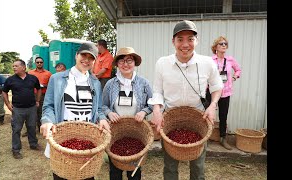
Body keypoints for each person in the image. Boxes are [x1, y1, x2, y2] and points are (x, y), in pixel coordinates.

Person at [147, 20, 224, 180]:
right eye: (180, 39)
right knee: (170, 165)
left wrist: (212, 105)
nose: (185, 44)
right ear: (173, 41)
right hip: (170, 119)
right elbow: (157, 91)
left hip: (198, 118)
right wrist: (156, 110)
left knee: (198, 165)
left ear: (197, 40)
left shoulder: (207, 63)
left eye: (190, 39)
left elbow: (217, 87)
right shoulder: (162, 63)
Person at [39, 42, 111, 180]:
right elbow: (48, 106)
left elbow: (98, 108)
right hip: (62, 139)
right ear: (76, 55)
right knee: (62, 175)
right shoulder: (57, 78)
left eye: (91, 58)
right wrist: (47, 121)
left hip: (86, 141)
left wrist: (102, 118)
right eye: (83, 55)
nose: (86, 60)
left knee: (86, 176)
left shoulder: (95, 83)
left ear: (94, 62)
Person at [102, 47, 153, 180]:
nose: (125, 64)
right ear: (117, 64)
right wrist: (109, 113)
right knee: (115, 171)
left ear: (135, 63)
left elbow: (152, 104)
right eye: (122, 61)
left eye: (129, 60)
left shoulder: (144, 83)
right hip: (116, 131)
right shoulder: (110, 84)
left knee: (134, 171)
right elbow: (103, 105)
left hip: (137, 130)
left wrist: (144, 111)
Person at [206, 36, 242, 150]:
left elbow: (238, 70)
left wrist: (235, 77)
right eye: (221, 43)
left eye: (225, 44)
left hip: (225, 92)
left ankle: (222, 138)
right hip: (211, 92)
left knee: (223, 116)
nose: (224, 45)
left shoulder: (230, 60)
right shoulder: (210, 61)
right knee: (207, 115)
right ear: (215, 47)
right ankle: (205, 138)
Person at [2, 59, 42, 159]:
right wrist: (7, 104)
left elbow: (39, 89)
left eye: (16, 66)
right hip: (18, 109)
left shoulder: (33, 78)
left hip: (31, 108)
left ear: (23, 67)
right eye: (13, 66)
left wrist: (37, 100)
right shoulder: (10, 80)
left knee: (32, 127)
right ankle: (16, 149)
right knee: (16, 129)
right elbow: (4, 91)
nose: (14, 68)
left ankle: (33, 144)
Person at [25, 57, 52, 136]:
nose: (39, 63)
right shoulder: (30, 73)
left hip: (43, 95)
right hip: (32, 95)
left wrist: (44, 85)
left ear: (43, 63)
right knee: (30, 113)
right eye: (37, 62)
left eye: (41, 62)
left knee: (41, 112)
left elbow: (51, 85)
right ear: (35, 63)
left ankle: (41, 128)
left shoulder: (48, 73)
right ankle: (29, 130)